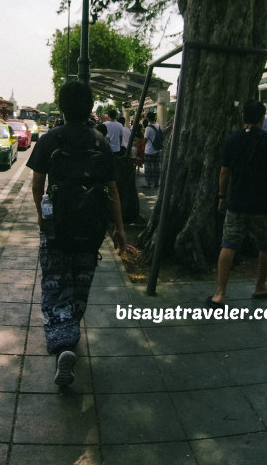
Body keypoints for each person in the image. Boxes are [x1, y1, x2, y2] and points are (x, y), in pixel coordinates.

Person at [28, 81, 127, 388]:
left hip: (57, 225)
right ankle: (72, 330)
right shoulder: (100, 141)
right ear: (89, 107)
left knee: (56, 283)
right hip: (92, 225)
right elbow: (112, 189)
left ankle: (63, 345)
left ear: (61, 106)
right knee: (81, 281)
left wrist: (41, 216)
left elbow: (36, 184)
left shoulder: (51, 138)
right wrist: (119, 229)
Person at [208, 99, 267, 306]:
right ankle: (261, 287)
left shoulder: (232, 139)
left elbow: (224, 172)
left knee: (229, 244)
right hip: (263, 202)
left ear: (243, 117)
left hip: (237, 201)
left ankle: (220, 293)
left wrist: (222, 196)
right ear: (262, 118)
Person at [143, 111, 163, 187]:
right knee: (156, 167)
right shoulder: (158, 125)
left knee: (148, 168)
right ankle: (156, 182)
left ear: (148, 118)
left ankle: (148, 183)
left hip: (149, 151)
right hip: (157, 150)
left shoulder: (148, 128)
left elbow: (145, 140)